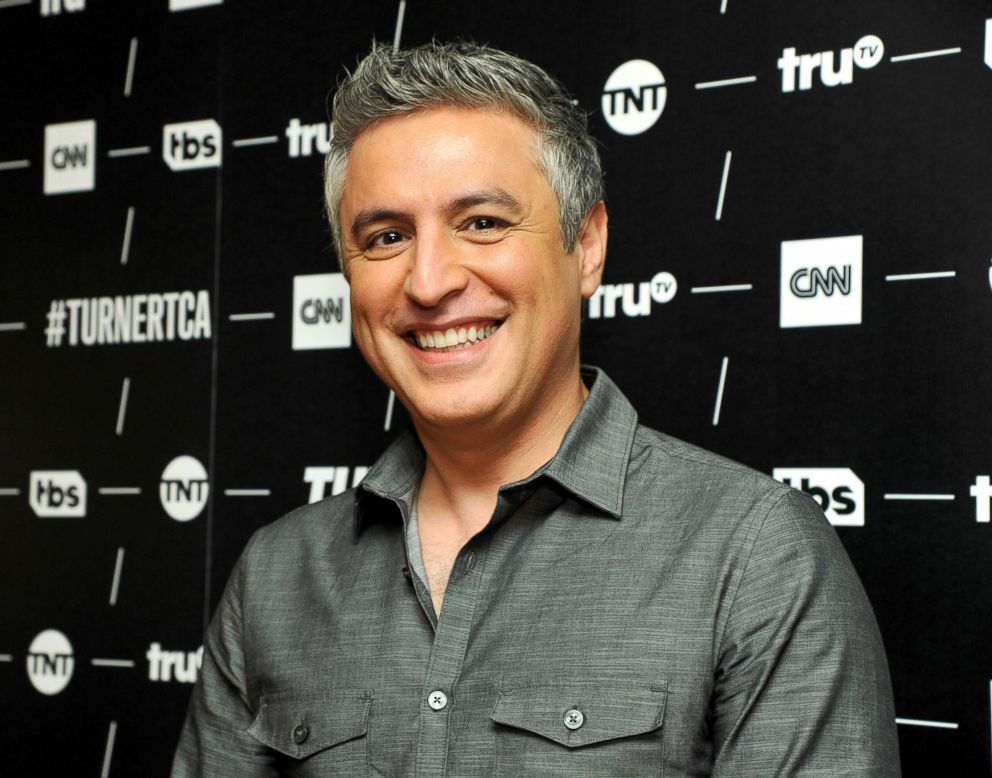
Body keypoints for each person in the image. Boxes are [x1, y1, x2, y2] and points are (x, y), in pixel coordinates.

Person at [172, 40, 900, 777]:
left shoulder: (753, 556)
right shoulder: (276, 575)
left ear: (586, 246)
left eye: (482, 223)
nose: (428, 282)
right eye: (387, 237)